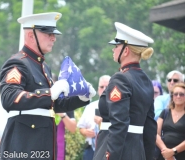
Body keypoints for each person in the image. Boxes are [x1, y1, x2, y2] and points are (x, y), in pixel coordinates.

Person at [0, 12, 96, 160]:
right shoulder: (18, 63)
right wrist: (49, 92)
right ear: (31, 35)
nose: (53, 38)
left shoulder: (44, 66)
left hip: (42, 145)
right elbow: (9, 97)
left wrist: (82, 97)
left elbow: (55, 104)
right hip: (23, 145)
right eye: (48, 33)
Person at [93, 22, 157, 160]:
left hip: (117, 152)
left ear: (126, 51)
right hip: (137, 152)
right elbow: (150, 126)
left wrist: (109, 156)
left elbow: (119, 123)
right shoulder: (146, 80)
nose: (113, 50)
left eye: (116, 46)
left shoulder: (120, 79)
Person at [77, 75, 111, 160]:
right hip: (91, 149)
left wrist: (102, 123)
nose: (104, 89)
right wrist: (86, 132)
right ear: (98, 89)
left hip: (108, 148)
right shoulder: (90, 107)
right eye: (101, 87)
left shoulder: (116, 107)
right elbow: (81, 127)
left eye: (107, 87)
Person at [156, 82, 185, 160]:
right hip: (163, 155)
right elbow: (156, 134)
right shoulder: (165, 112)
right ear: (172, 96)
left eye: (181, 94)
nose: (178, 96)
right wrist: (166, 152)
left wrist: (173, 151)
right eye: (175, 94)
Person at [52, 73, 77, 160]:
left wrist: (62, 114)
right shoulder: (39, 101)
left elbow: (73, 128)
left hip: (61, 150)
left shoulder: (64, 102)